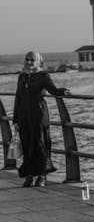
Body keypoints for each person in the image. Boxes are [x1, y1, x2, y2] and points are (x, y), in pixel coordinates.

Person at [13, 51, 71, 188]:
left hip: (39, 114)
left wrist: (63, 91)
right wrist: (15, 120)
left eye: (32, 60)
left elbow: (53, 90)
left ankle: (42, 176)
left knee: (40, 144)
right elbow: (18, 98)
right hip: (23, 115)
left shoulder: (43, 75)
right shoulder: (22, 77)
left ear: (38, 61)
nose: (29, 62)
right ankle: (29, 176)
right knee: (27, 144)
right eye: (27, 59)